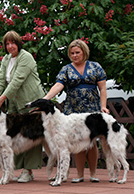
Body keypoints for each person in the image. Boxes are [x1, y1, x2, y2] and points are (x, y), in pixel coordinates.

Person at [43, 39, 109, 183]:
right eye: (72, 53)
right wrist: (46, 98)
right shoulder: (66, 69)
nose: (74, 55)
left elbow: (102, 88)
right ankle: (79, 174)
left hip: (92, 109)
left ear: (84, 52)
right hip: (73, 109)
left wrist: (103, 106)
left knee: (92, 142)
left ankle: (93, 173)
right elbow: (59, 85)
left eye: (77, 52)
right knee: (76, 141)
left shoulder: (95, 67)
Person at [0, 30, 45, 183]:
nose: (10, 46)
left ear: (19, 43)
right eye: (7, 44)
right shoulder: (6, 59)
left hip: (30, 101)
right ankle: (16, 169)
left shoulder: (26, 57)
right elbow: (1, 79)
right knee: (14, 136)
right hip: (13, 102)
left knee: (30, 135)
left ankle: (28, 170)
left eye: (13, 43)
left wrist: (2, 98)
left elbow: (17, 80)